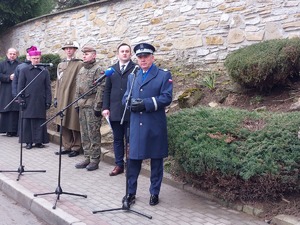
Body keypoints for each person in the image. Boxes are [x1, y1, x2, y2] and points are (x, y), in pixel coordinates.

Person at [122, 43, 173, 206]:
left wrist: (146, 103)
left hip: (154, 125)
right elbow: (125, 97)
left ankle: (154, 193)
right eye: (140, 57)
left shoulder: (163, 75)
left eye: (145, 57)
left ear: (152, 57)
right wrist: (129, 104)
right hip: (137, 125)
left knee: (156, 162)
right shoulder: (133, 75)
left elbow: (166, 98)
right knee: (133, 162)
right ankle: (130, 193)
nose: (142, 60)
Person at [102, 43, 137, 176]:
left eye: (127, 51)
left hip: (129, 111)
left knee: (129, 139)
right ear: (118, 54)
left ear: (130, 54)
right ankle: (119, 165)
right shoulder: (112, 70)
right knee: (117, 139)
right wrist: (105, 107)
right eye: (122, 51)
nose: (124, 53)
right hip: (115, 110)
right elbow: (107, 90)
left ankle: (130, 164)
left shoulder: (136, 69)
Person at [74, 46, 104, 171]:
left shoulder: (98, 70)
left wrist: (98, 106)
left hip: (92, 105)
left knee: (93, 133)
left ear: (94, 55)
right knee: (84, 132)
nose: (84, 56)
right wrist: (76, 104)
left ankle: (94, 159)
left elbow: (101, 89)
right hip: (82, 105)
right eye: (84, 54)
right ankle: (87, 156)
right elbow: (77, 88)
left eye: (87, 54)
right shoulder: (81, 70)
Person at [17, 47, 52, 149]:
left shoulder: (44, 71)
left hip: (40, 100)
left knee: (39, 120)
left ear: (40, 58)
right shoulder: (24, 70)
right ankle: (28, 141)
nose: (36, 60)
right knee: (27, 121)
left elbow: (47, 87)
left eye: (38, 58)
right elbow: (20, 86)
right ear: (30, 59)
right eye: (34, 58)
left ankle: (39, 141)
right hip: (28, 100)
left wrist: (48, 100)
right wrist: (21, 99)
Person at [54, 41, 83, 157]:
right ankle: (66, 145)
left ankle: (76, 147)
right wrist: (56, 96)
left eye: (71, 48)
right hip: (62, 96)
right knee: (63, 121)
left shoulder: (79, 64)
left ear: (75, 50)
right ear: (64, 50)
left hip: (72, 97)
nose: (69, 50)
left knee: (73, 121)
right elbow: (58, 82)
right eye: (67, 49)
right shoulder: (60, 65)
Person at [0, 48, 20, 137]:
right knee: (7, 109)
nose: (12, 55)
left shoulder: (20, 64)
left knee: (15, 110)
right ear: (7, 54)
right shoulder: (2, 64)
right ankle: (7, 130)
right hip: (5, 89)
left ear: (16, 55)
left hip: (16, 89)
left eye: (14, 54)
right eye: (10, 54)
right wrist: (8, 77)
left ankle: (15, 130)